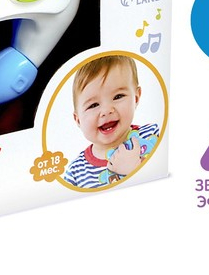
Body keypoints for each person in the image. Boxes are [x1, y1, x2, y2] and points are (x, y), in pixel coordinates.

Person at [64, 55, 159, 188]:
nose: (107, 111)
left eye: (118, 96)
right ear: (78, 119)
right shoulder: (76, 173)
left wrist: (134, 168)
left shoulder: (154, 135)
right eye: (93, 105)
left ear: (136, 98)